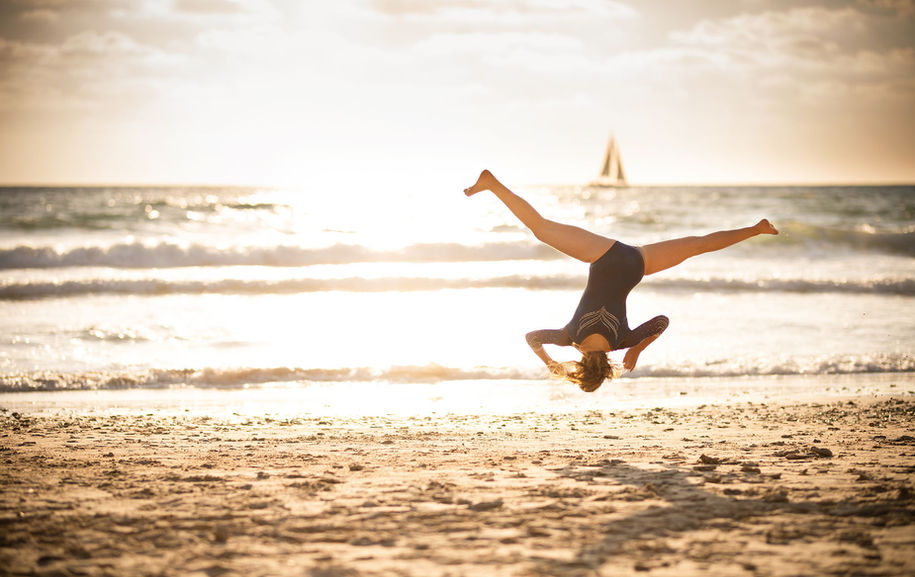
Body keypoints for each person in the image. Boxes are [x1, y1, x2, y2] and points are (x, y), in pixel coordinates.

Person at [463, 170, 778, 392]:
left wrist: (638, 349)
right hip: (603, 256)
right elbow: (531, 337)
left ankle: (756, 229)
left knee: (697, 245)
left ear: (603, 371)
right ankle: (491, 183)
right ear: (580, 367)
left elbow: (662, 321)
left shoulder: (621, 342)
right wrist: (549, 362)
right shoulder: (569, 337)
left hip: (636, 264)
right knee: (541, 228)